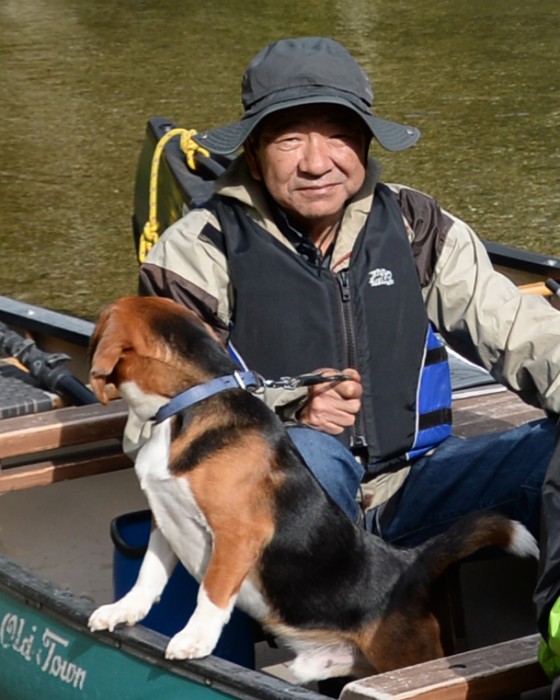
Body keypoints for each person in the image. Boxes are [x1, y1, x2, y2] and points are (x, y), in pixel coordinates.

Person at [137, 36, 560, 550]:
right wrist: (291, 409)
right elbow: (158, 417)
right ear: (252, 151)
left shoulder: (417, 225)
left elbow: (525, 335)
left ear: (364, 144)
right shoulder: (197, 251)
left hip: (414, 486)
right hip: (284, 502)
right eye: (290, 140)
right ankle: (333, 622)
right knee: (313, 457)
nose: (317, 163)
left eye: (339, 137)